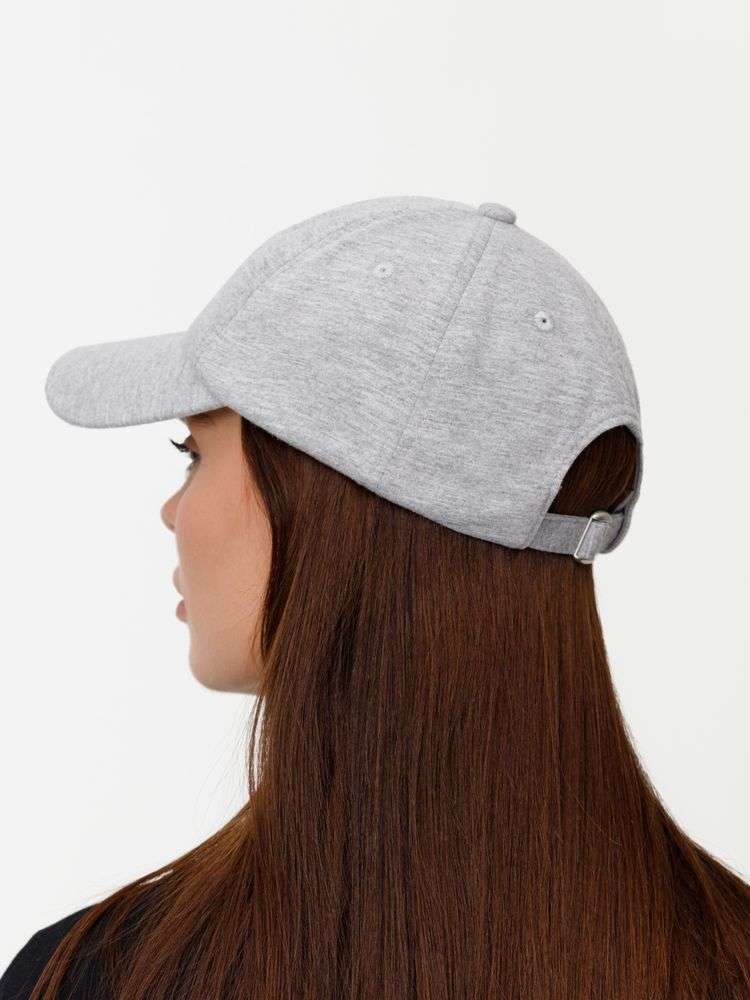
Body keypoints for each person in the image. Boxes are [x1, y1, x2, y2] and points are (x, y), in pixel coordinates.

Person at [3, 196, 748, 999]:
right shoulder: (728, 960)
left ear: (330, 504)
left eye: (195, 452)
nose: (172, 512)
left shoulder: (97, 976)